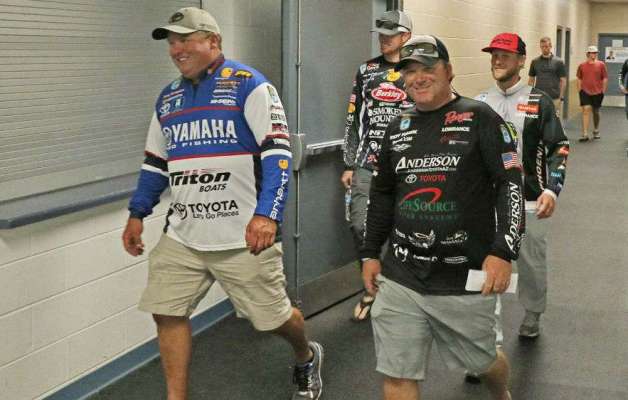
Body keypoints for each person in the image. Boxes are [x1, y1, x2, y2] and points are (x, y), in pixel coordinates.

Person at [121, 7, 323, 400]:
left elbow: (278, 154)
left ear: (213, 41)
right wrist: (137, 212)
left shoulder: (250, 85)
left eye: (185, 39)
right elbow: (155, 164)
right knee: (167, 311)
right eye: (172, 42)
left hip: (243, 235)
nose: (177, 49)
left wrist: (267, 215)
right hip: (184, 234)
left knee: (273, 320)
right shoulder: (168, 99)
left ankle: (306, 354)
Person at [361, 35, 525, 400]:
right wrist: (370, 252)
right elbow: (382, 193)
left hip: (463, 276)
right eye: (409, 71)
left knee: (484, 364)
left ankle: (501, 393)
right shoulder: (397, 127)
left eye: (427, 68)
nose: (418, 78)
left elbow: (509, 184)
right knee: (397, 374)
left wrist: (503, 251)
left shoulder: (481, 118)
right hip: (402, 276)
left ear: (448, 71)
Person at [477, 32, 570, 339]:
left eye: (505, 55)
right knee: (486, 263)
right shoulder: (479, 103)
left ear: (520, 61)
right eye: (494, 55)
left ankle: (533, 313)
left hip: (530, 201)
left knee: (531, 266)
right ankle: (488, 334)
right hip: (488, 203)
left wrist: (551, 189)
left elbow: (559, 147)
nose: (497, 60)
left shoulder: (538, 102)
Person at [341, 10, 414, 322]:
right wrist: (349, 163)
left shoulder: (416, 69)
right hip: (366, 164)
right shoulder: (367, 70)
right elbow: (353, 118)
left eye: (391, 34)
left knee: (405, 229)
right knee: (361, 225)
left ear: (406, 36)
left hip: (406, 164)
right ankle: (372, 288)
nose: (385, 39)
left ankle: (399, 293)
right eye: (382, 34)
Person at [528, 36, 567, 118]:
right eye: (542, 47)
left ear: (550, 46)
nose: (544, 49)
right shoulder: (535, 62)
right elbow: (531, 80)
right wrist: (530, 95)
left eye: (546, 46)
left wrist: (561, 97)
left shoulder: (559, 62)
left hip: (554, 98)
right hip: (539, 98)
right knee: (539, 121)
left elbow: (563, 80)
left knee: (554, 121)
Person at [576, 45, 608, 141]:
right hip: (585, 91)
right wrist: (579, 90)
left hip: (598, 92)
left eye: (595, 53)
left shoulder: (601, 65)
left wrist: (603, 90)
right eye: (592, 53)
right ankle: (585, 133)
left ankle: (596, 129)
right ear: (588, 54)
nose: (594, 54)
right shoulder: (582, 65)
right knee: (586, 110)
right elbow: (579, 78)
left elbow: (605, 78)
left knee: (596, 111)